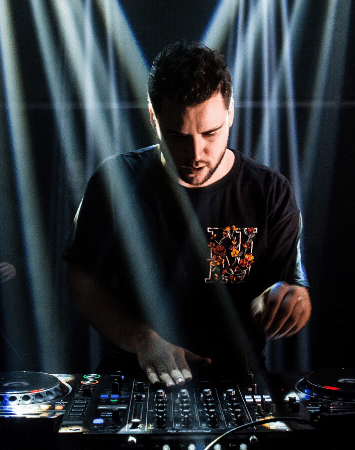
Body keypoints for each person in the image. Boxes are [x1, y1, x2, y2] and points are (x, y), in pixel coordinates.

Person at [64, 42, 311, 387]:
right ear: (154, 118)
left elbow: (287, 285)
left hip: (235, 380)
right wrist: (141, 340)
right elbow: (82, 279)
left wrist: (288, 301)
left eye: (210, 133)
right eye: (177, 136)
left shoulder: (269, 192)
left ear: (231, 114)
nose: (196, 153)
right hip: (135, 377)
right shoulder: (115, 182)